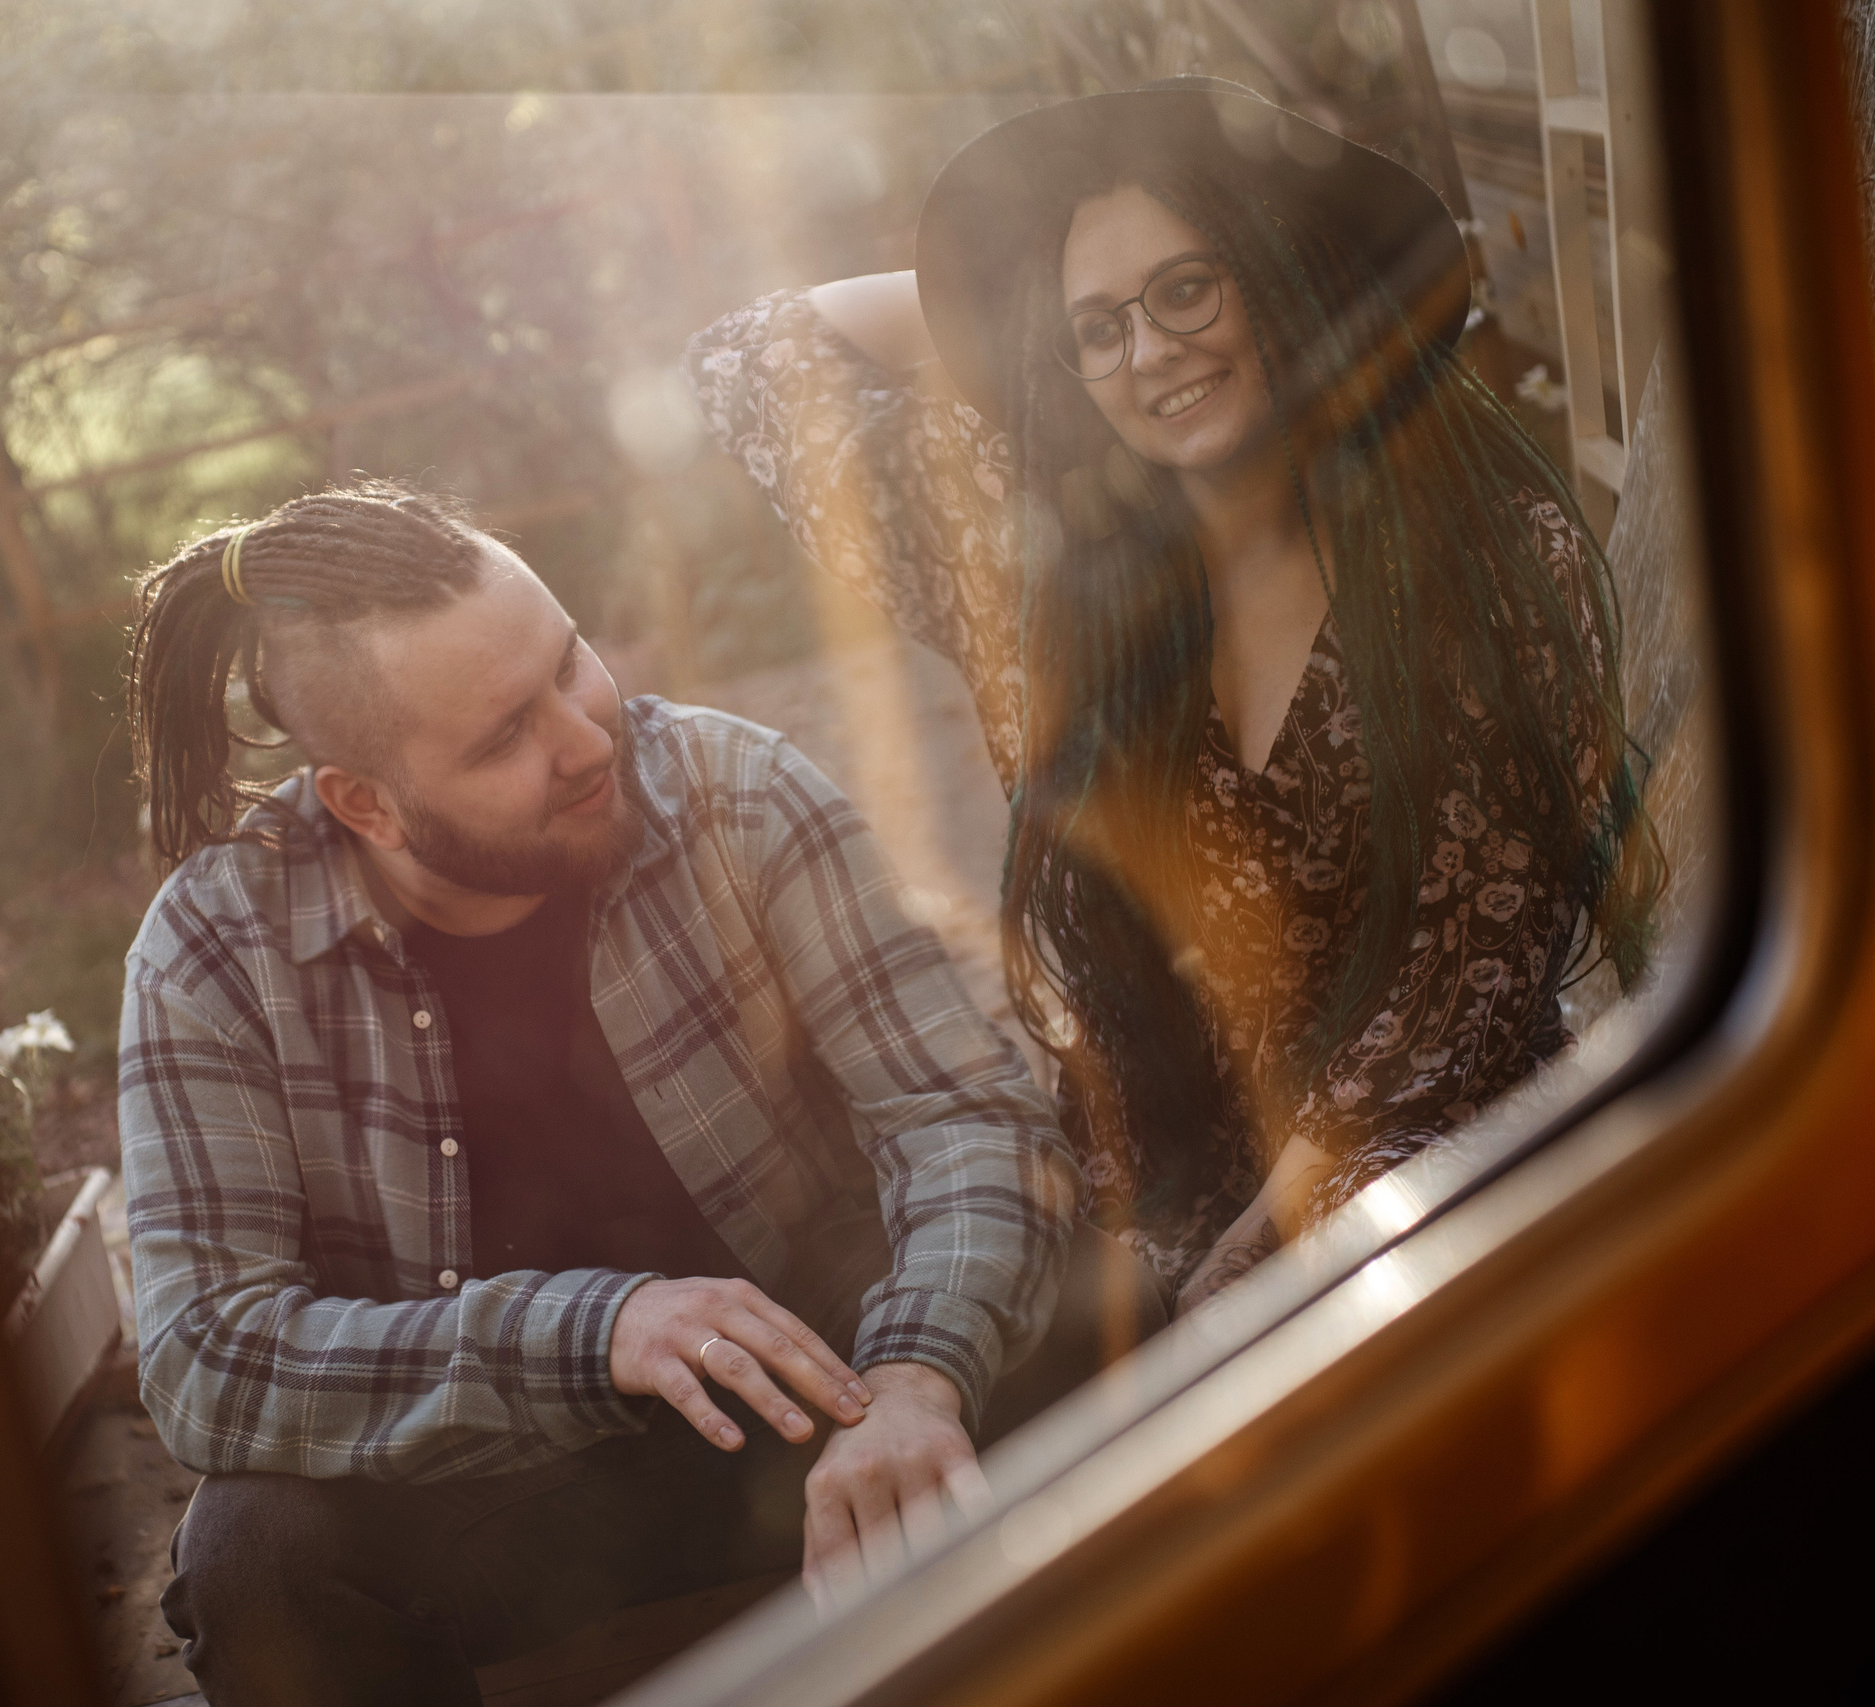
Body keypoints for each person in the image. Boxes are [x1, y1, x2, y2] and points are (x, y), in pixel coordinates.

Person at [117, 480, 1155, 1705]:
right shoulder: (210, 955)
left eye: (571, 660)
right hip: (505, 1475)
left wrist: (919, 1379)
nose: (586, 737)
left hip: (830, 1383)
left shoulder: (737, 793)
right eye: (505, 736)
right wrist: (594, 1331)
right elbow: (205, 1358)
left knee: (1109, 1296)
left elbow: (962, 1115)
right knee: (254, 1559)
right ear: (365, 802)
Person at [686, 78, 1657, 1310]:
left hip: (1434, 1172)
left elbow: (1458, 985)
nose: (1150, 353)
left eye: (1186, 289)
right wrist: (988, 321)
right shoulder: (1047, 577)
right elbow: (745, 359)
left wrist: (1248, 1262)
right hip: (1158, 1200)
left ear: (1279, 276)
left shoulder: (1491, 562)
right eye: (1096, 328)